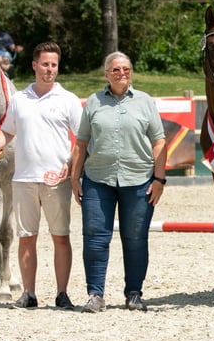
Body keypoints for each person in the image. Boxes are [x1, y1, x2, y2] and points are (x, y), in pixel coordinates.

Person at [0, 42, 83, 310]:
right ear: (34, 65)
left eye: (54, 65)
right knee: (27, 237)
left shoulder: (68, 99)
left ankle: (62, 293)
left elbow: (82, 139)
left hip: (56, 180)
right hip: (23, 178)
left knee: (60, 236)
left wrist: (69, 167)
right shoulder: (19, 99)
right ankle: (29, 293)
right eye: (45, 64)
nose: (50, 70)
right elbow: (7, 132)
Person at [70, 52, 168, 313]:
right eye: (115, 69)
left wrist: (159, 179)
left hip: (138, 180)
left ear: (131, 72)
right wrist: (74, 177)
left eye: (125, 69)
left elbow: (159, 142)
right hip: (97, 179)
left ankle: (134, 293)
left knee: (135, 238)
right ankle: (95, 294)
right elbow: (81, 143)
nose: (121, 73)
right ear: (106, 74)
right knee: (94, 237)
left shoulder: (145, 102)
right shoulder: (93, 102)